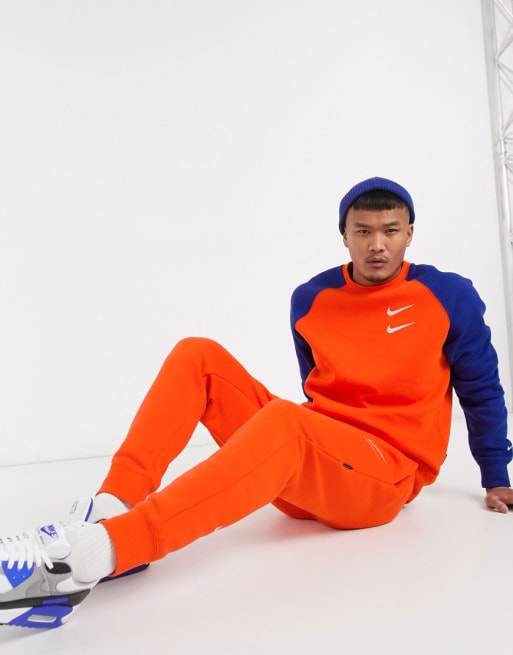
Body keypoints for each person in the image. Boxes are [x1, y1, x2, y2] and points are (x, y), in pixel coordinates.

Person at [1, 176, 511, 630]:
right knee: (198, 355)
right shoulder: (311, 299)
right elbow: (317, 385)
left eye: (391, 231)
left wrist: (496, 473)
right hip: (312, 464)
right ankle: (111, 507)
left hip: (383, 479)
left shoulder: (448, 296)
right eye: (363, 231)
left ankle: (96, 554)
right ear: (344, 235)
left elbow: (481, 387)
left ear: (410, 233)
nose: (377, 245)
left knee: (286, 422)